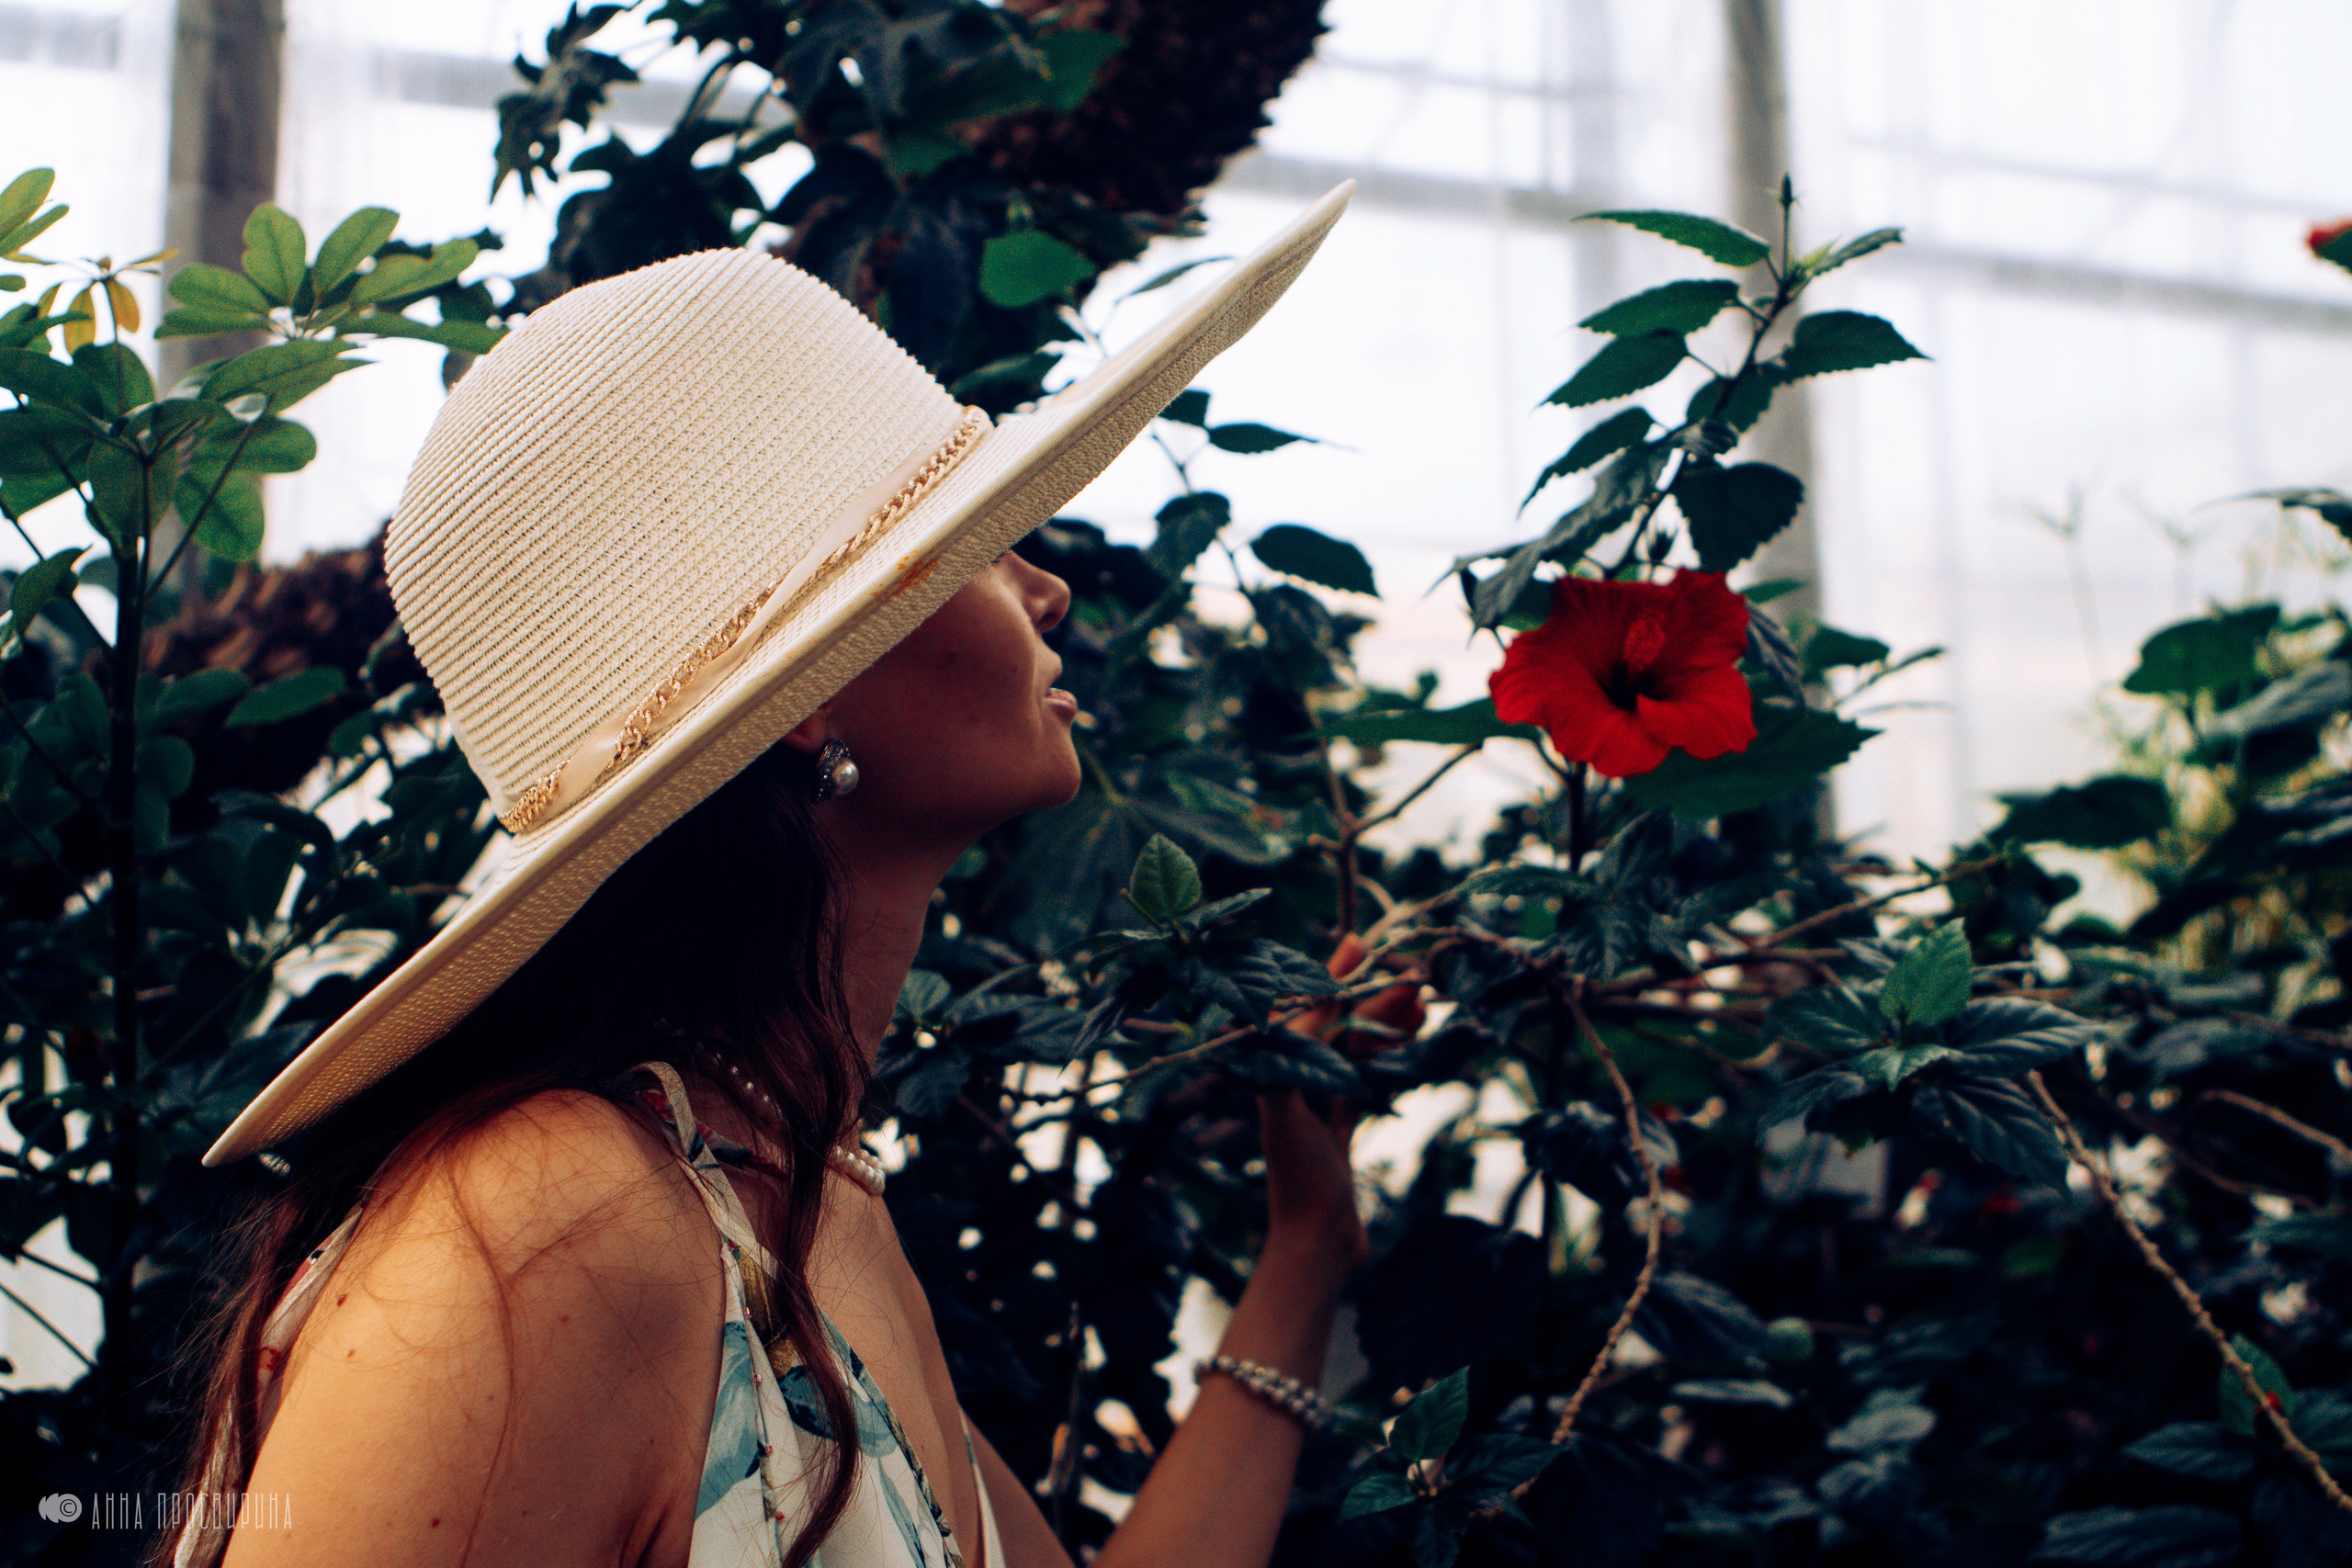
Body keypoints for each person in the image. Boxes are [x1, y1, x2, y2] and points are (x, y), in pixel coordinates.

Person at [161, 183, 1361, 1568]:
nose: (1050, 591)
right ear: (806, 696)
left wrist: (1308, 1240)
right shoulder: (550, 1218)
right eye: (972, 543)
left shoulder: (798, 1201)